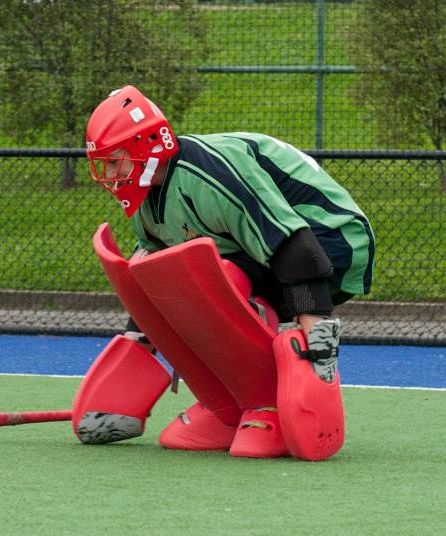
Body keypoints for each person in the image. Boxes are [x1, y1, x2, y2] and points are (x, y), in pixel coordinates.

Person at [84, 85, 375, 454]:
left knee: (213, 279)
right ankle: (227, 408)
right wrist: (138, 341)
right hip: (281, 249)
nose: (109, 172)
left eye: (115, 160)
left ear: (147, 146)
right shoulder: (146, 195)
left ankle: (267, 404)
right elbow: (153, 277)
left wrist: (317, 346)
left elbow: (293, 247)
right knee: (181, 274)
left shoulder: (206, 173)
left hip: (330, 240)